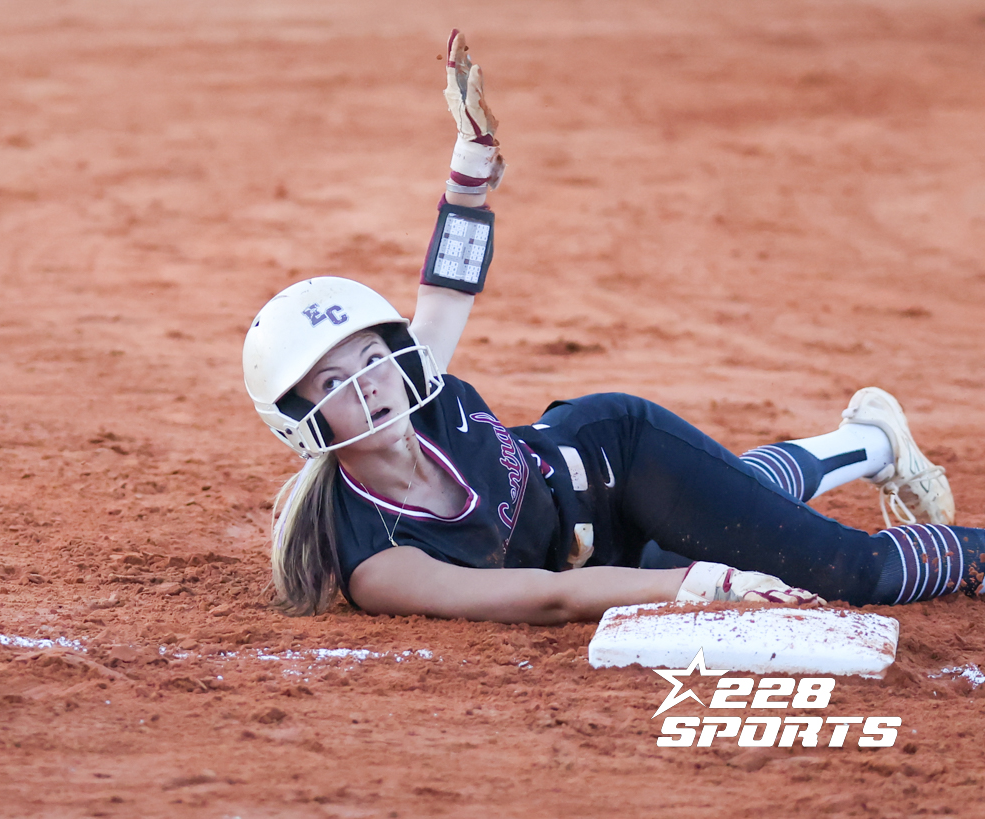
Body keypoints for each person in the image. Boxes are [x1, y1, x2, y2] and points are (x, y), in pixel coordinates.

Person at [242, 31, 983, 625]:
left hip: (620, 460)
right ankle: (872, 440)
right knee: (743, 507)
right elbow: (549, 595)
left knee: (849, 572)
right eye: (333, 381)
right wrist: (700, 584)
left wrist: (469, 173)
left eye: (374, 359)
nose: (369, 387)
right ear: (299, 421)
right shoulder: (378, 560)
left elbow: (446, 289)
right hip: (603, 562)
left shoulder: (418, 391)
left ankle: (909, 486)